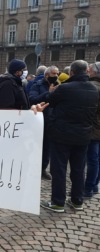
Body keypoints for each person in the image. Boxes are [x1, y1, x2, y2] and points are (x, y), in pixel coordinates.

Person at [40, 60, 99, 213]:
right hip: (84, 135)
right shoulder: (94, 90)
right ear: (86, 72)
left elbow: (50, 101)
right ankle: (77, 200)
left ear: (71, 72)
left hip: (61, 135)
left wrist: (52, 91)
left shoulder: (65, 88)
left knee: (59, 169)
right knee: (78, 169)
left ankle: (58, 202)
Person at [29, 66, 60, 181]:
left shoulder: (59, 85)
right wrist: (48, 93)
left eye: (57, 73)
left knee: (47, 148)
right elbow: (32, 99)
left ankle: (43, 169)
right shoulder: (37, 85)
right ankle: (32, 167)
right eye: (53, 73)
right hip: (39, 121)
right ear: (47, 75)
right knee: (35, 146)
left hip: (52, 121)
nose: (56, 75)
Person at [84, 62, 100, 198]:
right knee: (97, 159)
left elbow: (89, 109)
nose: (88, 72)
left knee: (92, 159)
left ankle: (88, 188)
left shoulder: (92, 87)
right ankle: (94, 185)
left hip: (93, 128)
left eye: (89, 70)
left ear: (94, 72)